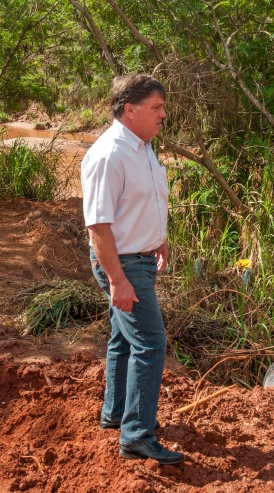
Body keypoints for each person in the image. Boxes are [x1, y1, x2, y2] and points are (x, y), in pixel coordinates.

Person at [80, 74, 184, 465]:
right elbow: (98, 226)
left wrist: (159, 237)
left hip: (139, 258)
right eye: (156, 107)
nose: (163, 114)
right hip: (122, 263)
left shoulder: (143, 147)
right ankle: (137, 435)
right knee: (151, 343)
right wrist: (118, 281)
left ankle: (116, 414)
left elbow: (143, 201)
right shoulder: (109, 154)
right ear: (130, 109)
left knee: (124, 340)